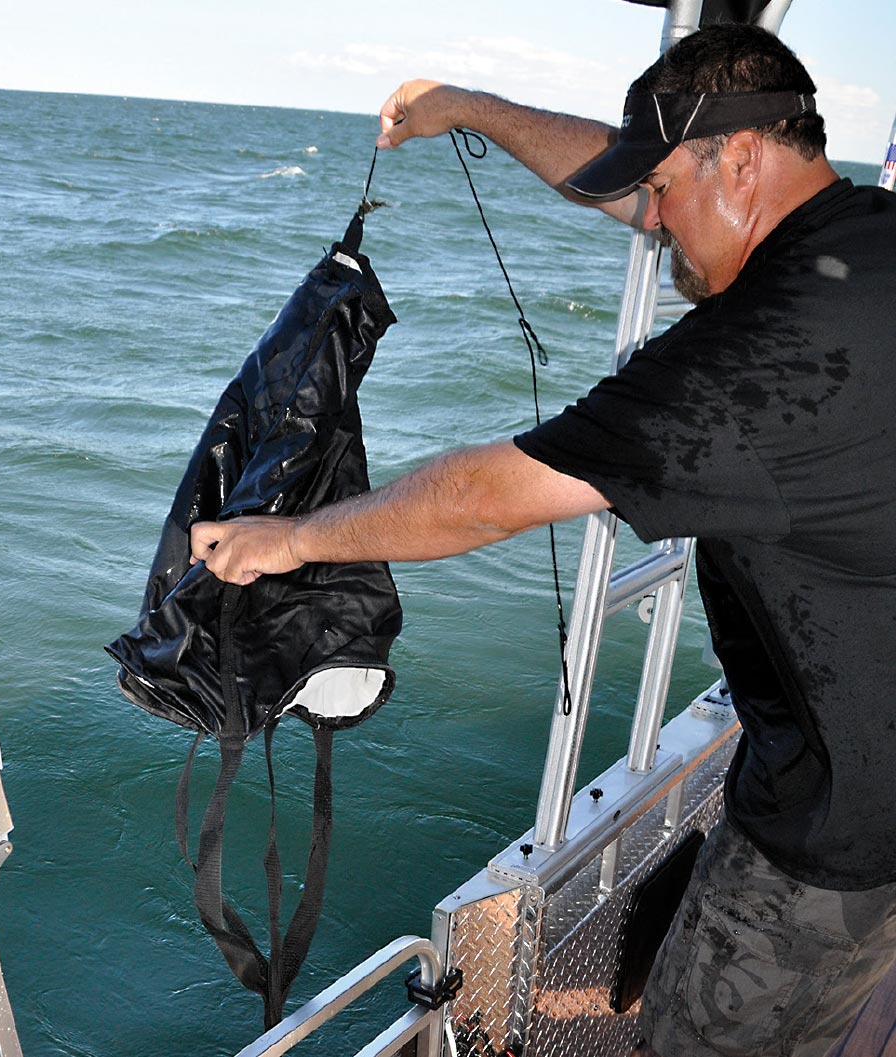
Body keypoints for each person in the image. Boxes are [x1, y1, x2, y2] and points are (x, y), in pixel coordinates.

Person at [189, 23, 896, 1057]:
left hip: (830, 833)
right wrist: (466, 109)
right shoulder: (866, 236)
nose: (648, 225)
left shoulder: (764, 351)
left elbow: (490, 493)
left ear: (740, 156)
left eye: (659, 193)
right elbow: (622, 181)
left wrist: (285, 540)